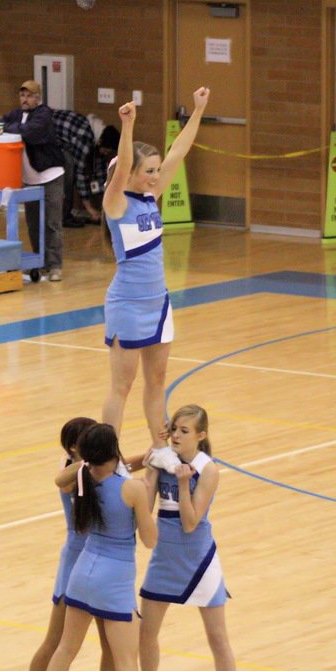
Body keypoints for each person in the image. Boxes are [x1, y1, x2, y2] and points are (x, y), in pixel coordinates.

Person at [31, 424, 172, 671]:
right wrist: (150, 486)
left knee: (66, 648)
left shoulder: (81, 480)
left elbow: (59, 479)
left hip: (81, 573)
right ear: (115, 451)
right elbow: (150, 539)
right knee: (126, 666)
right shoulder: (132, 489)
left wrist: (82, 463)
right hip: (115, 580)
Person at [100, 88, 209, 472]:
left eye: (156, 171)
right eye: (149, 171)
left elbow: (179, 151)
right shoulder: (117, 203)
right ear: (130, 173)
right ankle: (107, 457)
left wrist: (197, 110)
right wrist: (127, 126)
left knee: (157, 381)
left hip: (158, 303)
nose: (155, 176)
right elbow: (126, 161)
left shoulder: (151, 196)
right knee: (122, 387)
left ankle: (158, 447)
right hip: (127, 305)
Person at [138, 404, 254, 671]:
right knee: (147, 633)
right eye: (174, 429)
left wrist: (184, 483)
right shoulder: (164, 461)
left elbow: (190, 522)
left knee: (218, 639)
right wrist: (150, 473)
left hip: (199, 559)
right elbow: (145, 514)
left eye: (184, 431)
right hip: (165, 555)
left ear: (201, 436)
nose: (176, 435)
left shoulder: (208, 470)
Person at [17, 417, 121, 671]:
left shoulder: (99, 469)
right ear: (75, 447)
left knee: (111, 645)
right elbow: (60, 481)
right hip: (76, 560)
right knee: (56, 642)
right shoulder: (73, 471)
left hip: (102, 562)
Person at [0, 81, 66, 281]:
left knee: (52, 223)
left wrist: (4, 129)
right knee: (33, 222)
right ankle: (40, 261)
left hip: (50, 176)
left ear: (38, 98)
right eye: (22, 96)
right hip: (30, 179)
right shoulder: (16, 115)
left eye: (29, 96)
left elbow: (29, 132)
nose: (25, 100)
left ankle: (55, 265)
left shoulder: (44, 114)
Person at [50, 107, 98, 227]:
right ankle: (64, 217)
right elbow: (80, 173)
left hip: (53, 133)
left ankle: (62, 215)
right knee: (69, 170)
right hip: (44, 136)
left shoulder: (87, 125)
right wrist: (89, 208)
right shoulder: (85, 139)